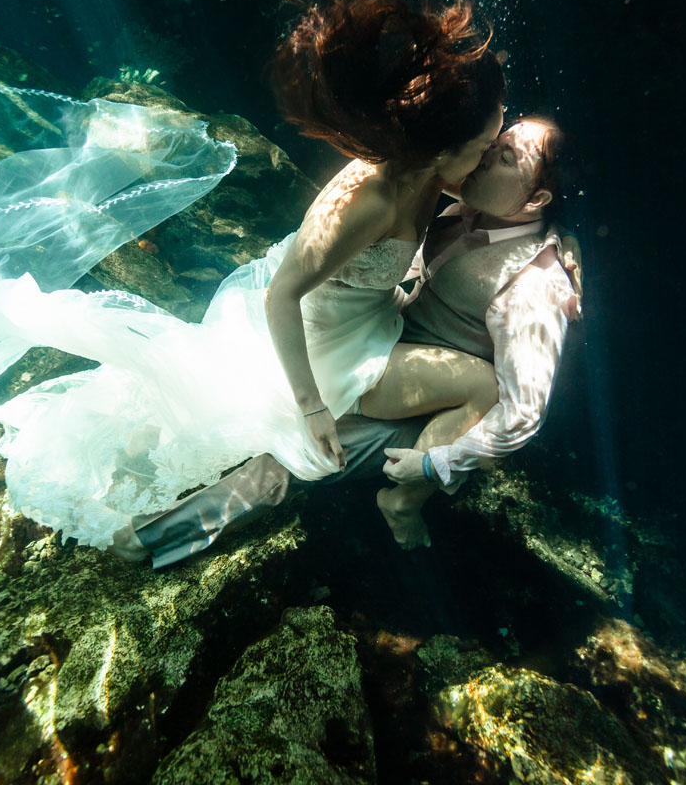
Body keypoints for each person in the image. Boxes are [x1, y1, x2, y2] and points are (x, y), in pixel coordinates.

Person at [0, 0, 509, 551]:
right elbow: (286, 293)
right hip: (316, 344)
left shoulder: (429, 183)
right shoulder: (368, 199)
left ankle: (371, 473)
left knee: (449, 386)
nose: (488, 158)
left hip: (360, 322)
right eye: (483, 146)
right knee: (475, 386)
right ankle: (400, 499)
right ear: (439, 150)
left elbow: (377, 269)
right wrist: (312, 407)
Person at [127, 116, 582, 566]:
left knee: (293, 460)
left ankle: (146, 539)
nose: (483, 158)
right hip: (382, 340)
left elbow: (523, 411)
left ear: (537, 197)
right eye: (491, 143)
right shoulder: (474, 201)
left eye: (502, 157)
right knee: (252, 405)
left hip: (433, 407)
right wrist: (564, 230)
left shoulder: (536, 288)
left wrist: (436, 463)